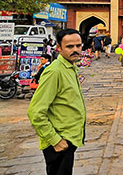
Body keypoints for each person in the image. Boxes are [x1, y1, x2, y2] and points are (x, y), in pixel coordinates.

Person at [27, 28, 85, 175]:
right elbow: (35, 112)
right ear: (59, 48)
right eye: (70, 46)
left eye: (78, 46)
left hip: (68, 138)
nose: (75, 50)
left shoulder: (70, 68)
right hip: (59, 141)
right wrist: (55, 140)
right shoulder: (54, 72)